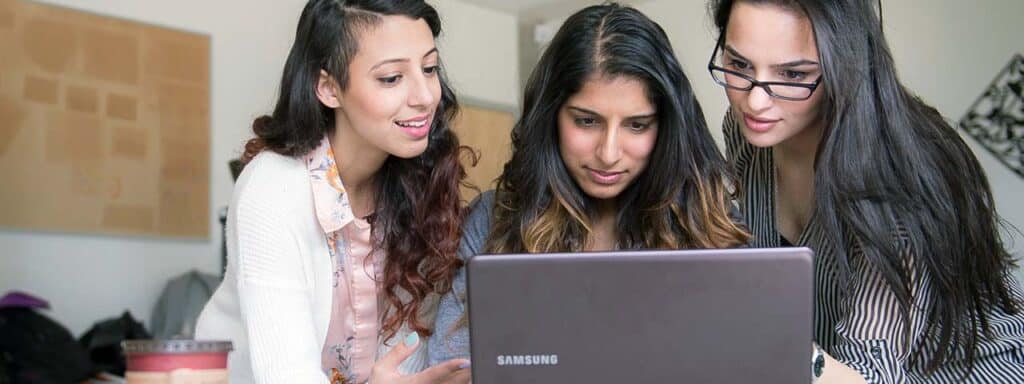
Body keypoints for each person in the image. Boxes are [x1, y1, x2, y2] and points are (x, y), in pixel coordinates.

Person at [707, 0, 1024, 382]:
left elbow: (868, 376)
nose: (755, 101)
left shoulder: (896, 188)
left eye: (792, 74)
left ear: (844, 64)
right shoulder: (749, 135)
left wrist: (748, 327)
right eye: (739, 65)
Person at [428, 2, 750, 365]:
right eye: (586, 121)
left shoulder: (711, 229)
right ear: (551, 117)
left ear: (666, 128)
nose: (609, 153)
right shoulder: (491, 221)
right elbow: (450, 366)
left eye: (637, 125)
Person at [195, 1, 472, 383]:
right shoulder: (272, 188)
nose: (425, 96)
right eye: (392, 78)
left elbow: (404, 358)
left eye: (429, 69)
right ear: (328, 88)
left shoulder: (419, 187)